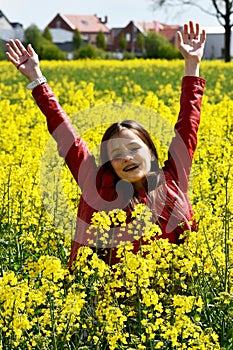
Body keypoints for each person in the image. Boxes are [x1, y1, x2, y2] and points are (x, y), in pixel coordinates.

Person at [6, 21, 206, 270]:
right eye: (117, 154)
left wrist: (192, 64)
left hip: (173, 303)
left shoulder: (174, 179)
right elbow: (68, 137)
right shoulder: (98, 187)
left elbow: (188, 125)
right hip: (116, 304)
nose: (126, 158)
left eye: (133, 149)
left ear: (151, 152)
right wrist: (36, 79)